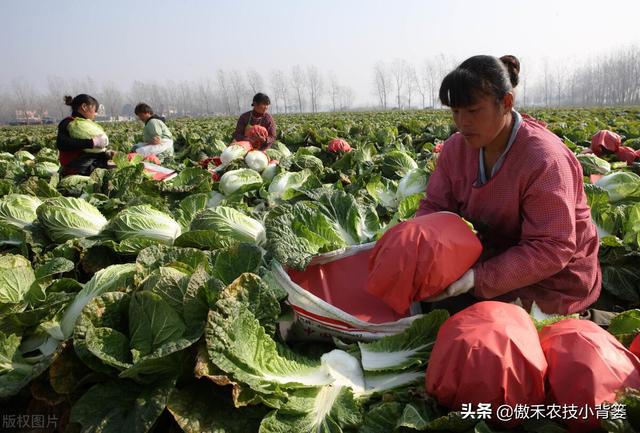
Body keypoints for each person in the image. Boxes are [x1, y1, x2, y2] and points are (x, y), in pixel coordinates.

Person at [418, 55, 601, 315]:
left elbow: (552, 247)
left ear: (506, 103)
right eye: (455, 112)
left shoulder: (544, 159)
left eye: (473, 111)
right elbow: (434, 206)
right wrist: (419, 245)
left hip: (552, 278)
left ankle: (592, 318)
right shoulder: (455, 149)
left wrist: (477, 279)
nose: (462, 122)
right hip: (491, 255)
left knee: (476, 321)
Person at [57, 94, 111, 176]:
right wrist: (93, 143)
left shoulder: (87, 124)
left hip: (91, 164)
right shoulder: (67, 122)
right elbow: (62, 143)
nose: (95, 114)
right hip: (77, 169)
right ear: (84, 107)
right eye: (94, 110)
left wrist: (106, 153)